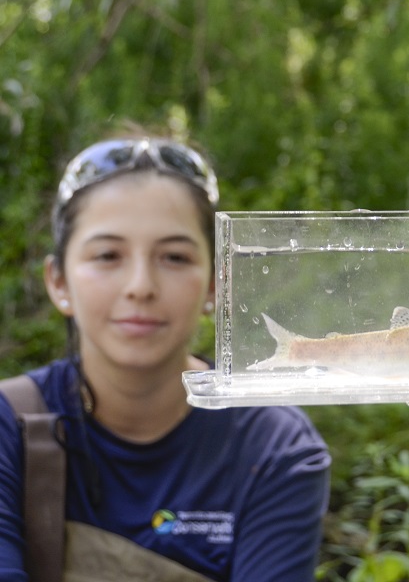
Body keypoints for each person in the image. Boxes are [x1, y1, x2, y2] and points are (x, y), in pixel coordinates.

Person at [0, 132, 331, 581]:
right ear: (58, 282)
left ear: (215, 284)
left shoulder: (276, 448)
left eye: (174, 257)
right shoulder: (10, 428)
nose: (141, 285)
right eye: (107, 255)